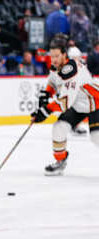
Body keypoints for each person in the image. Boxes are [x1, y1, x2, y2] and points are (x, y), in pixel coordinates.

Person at [30, 37, 99, 175]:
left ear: (64, 55)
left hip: (95, 103)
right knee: (59, 127)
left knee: (96, 136)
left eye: (56, 56)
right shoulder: (56, 66)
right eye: (52, 56)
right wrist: (45, 95)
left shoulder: (71, 70)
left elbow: (65, 101)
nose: (53, 59)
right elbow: (52, 81)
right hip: (78, 105)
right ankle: (60, 161)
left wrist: (45, 111)